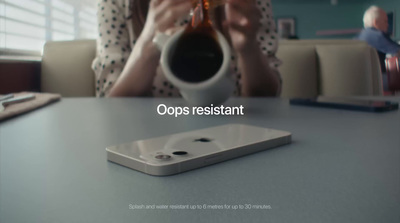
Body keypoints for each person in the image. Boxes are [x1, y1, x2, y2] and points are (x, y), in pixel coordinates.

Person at [92, 0, 281, 98]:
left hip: (235, 132)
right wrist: (148, 43)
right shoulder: (115, 3)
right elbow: (110, 98)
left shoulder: (247, 4)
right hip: (147, 140)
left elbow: (267, 96)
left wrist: (249, 49)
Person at [357, 6, 400, 73]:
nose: (387, 25)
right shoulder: (376, 35)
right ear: (376, 22)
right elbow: (398, 51)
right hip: (377, 79)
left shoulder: (362, 35)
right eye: (385, 21)